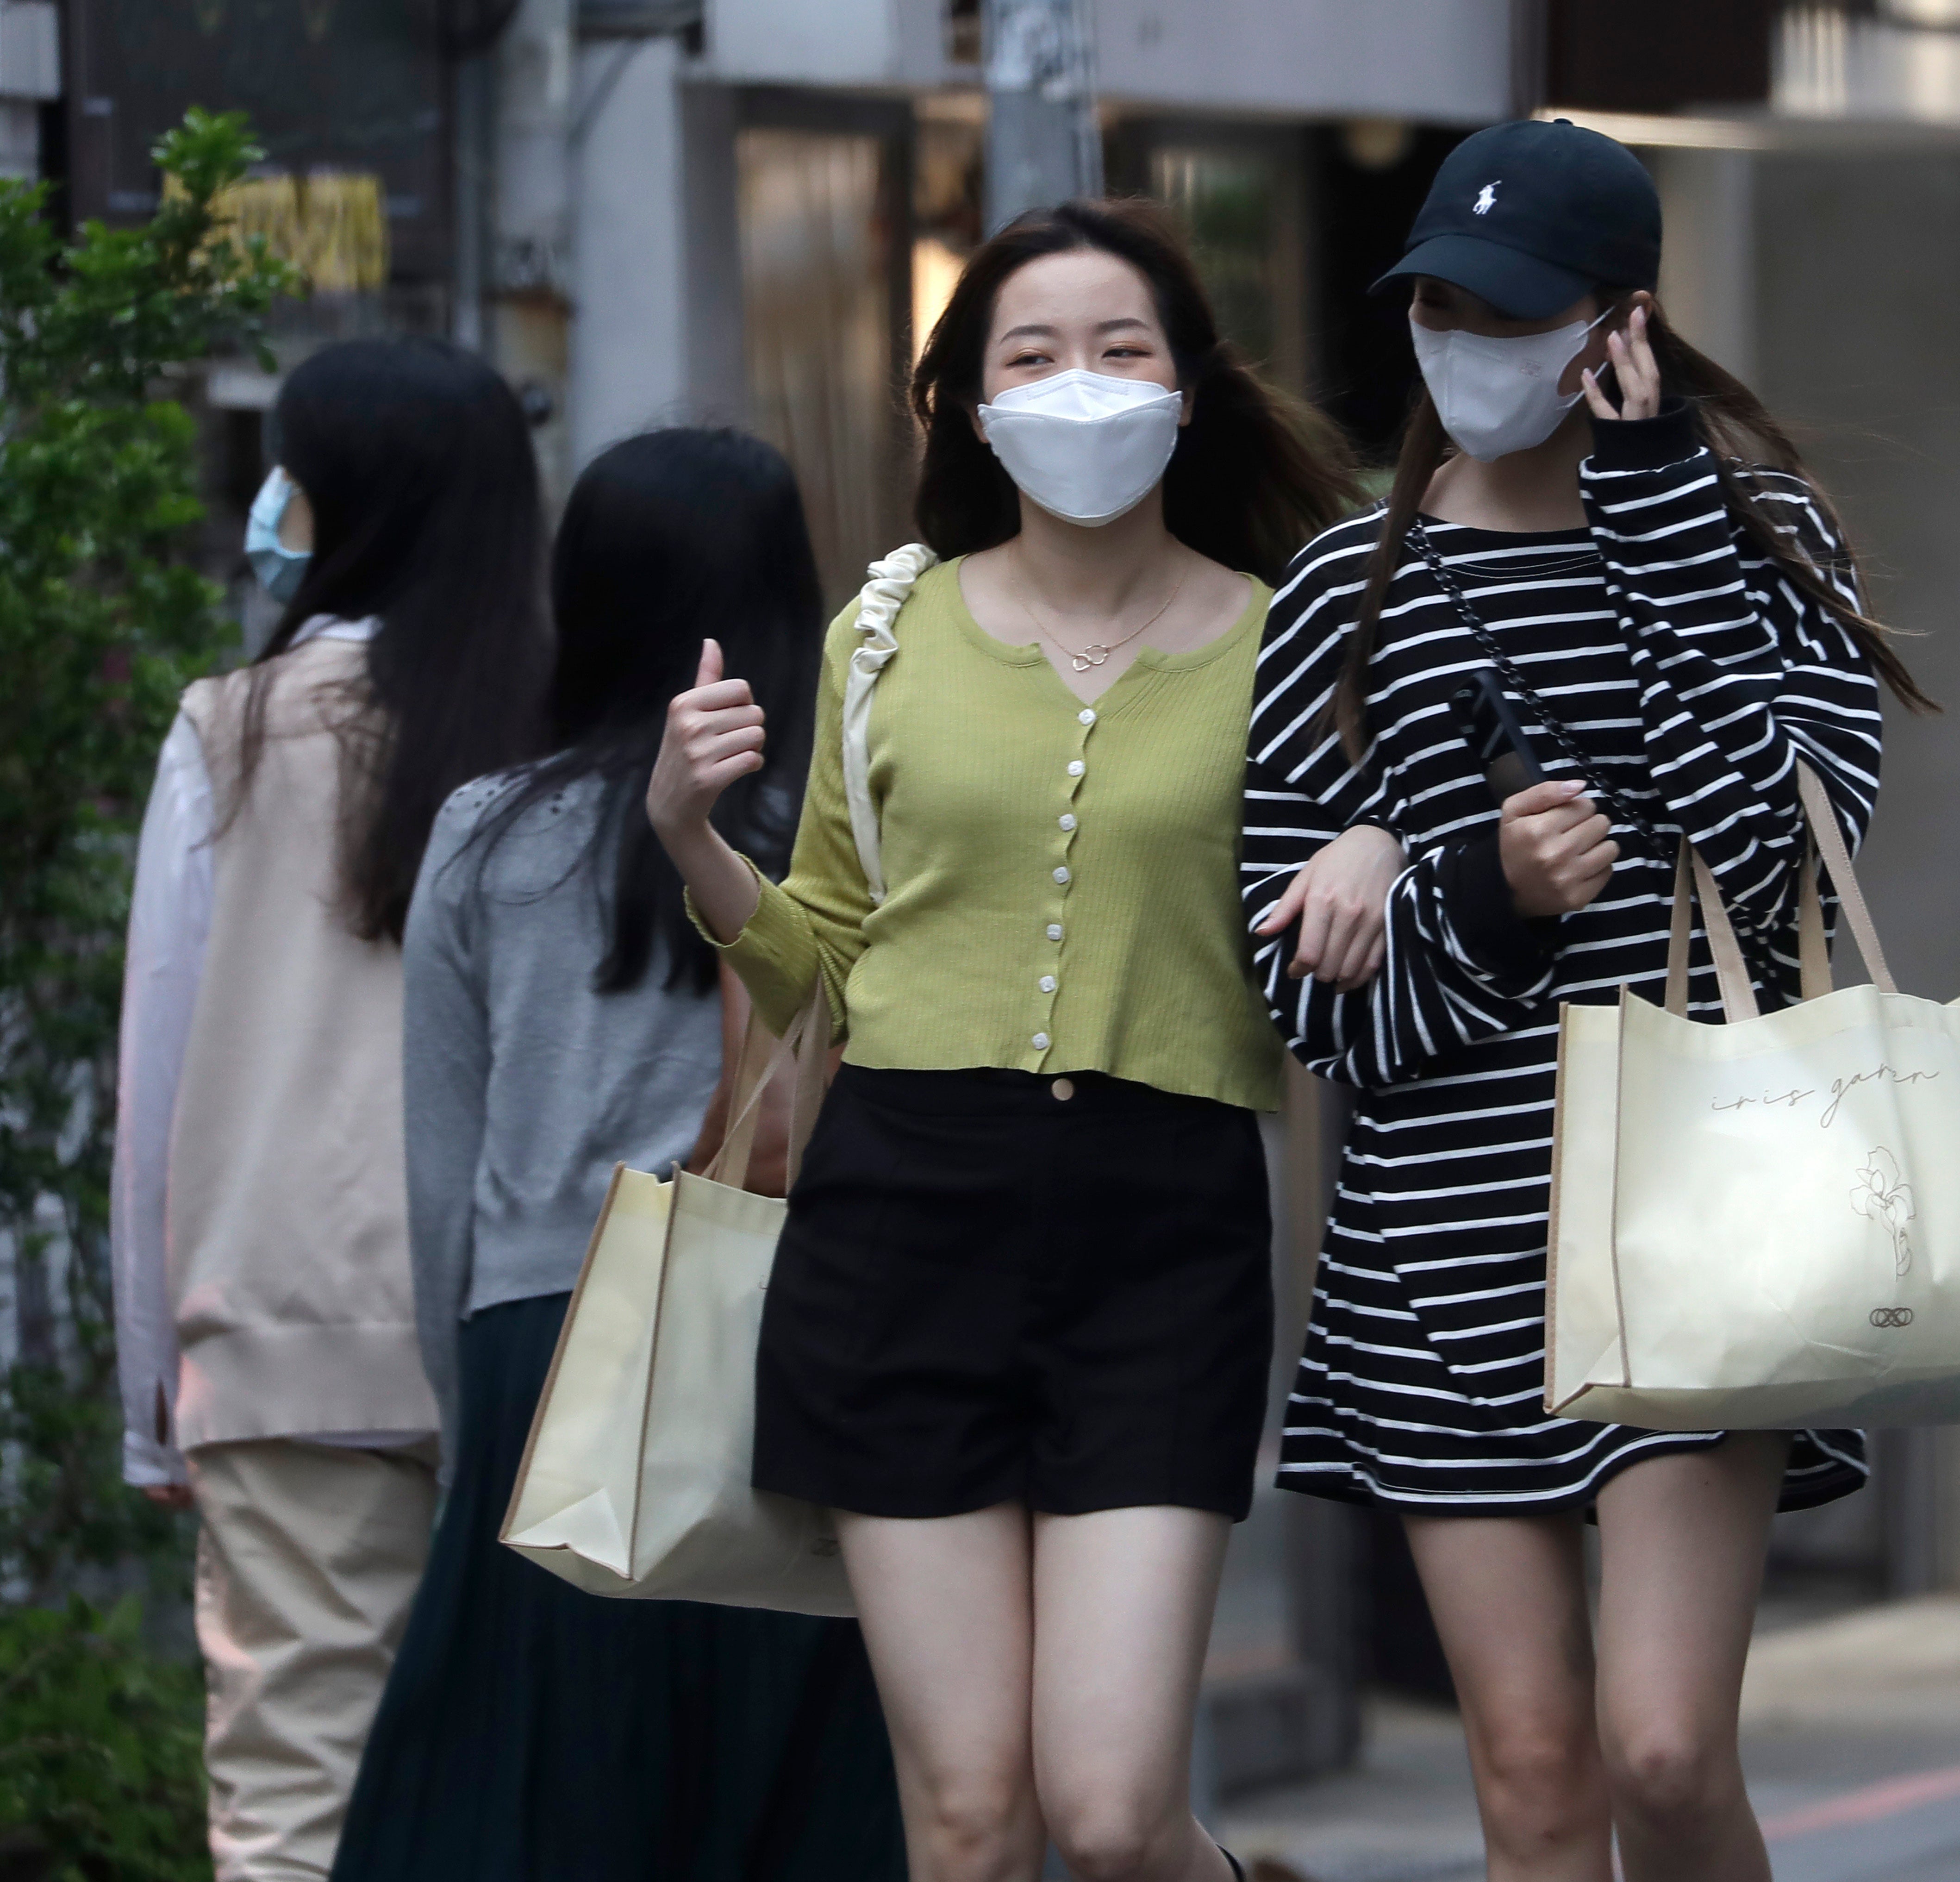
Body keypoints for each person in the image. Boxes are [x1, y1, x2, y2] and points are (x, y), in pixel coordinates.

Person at [649, 200, 1379, 1882]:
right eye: (1032, 354)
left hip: (1166, 1219)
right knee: (969, 1819)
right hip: (901, 1215)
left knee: (1117, 1815)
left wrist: (1380, 843)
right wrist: (692, 838)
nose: (1080, 384)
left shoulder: (1294, 640)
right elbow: (823, 953)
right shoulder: (886, 635)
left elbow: (1389, 842)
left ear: (1187, 391)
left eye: (1121, 349)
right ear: (972, 406)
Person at [1244, 120, 1925, 1882]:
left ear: (1622, 321)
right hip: (1441, 1244)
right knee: (1538, 1776)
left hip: (1704, 1213)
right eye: (1439, 304)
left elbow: (1774, 848)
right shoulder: (1346, 588)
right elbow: (1304, 1007)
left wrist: (1657, 511)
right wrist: (1477, 885)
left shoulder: (1763, 541)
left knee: (1666, 1749)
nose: (1467, 339)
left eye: (1512, 309)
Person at [328, 429, 905, 1878]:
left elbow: (440, 1162)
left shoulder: (482, 835)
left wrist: (470, 1429)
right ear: (792, 598)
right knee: (794, 1806)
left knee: (529, 1813)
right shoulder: (840, 843)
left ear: (582, 596)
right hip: (793, 1344)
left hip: (546, 1347)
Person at [111, 336, 550, 1879]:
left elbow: (159, 1067)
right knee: (529, 1793)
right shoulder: (569, 731)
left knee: (296, 1801)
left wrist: (149, 1375)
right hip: (535, 1335)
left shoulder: (231, 729)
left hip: (283, 1322)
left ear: (337, 500)